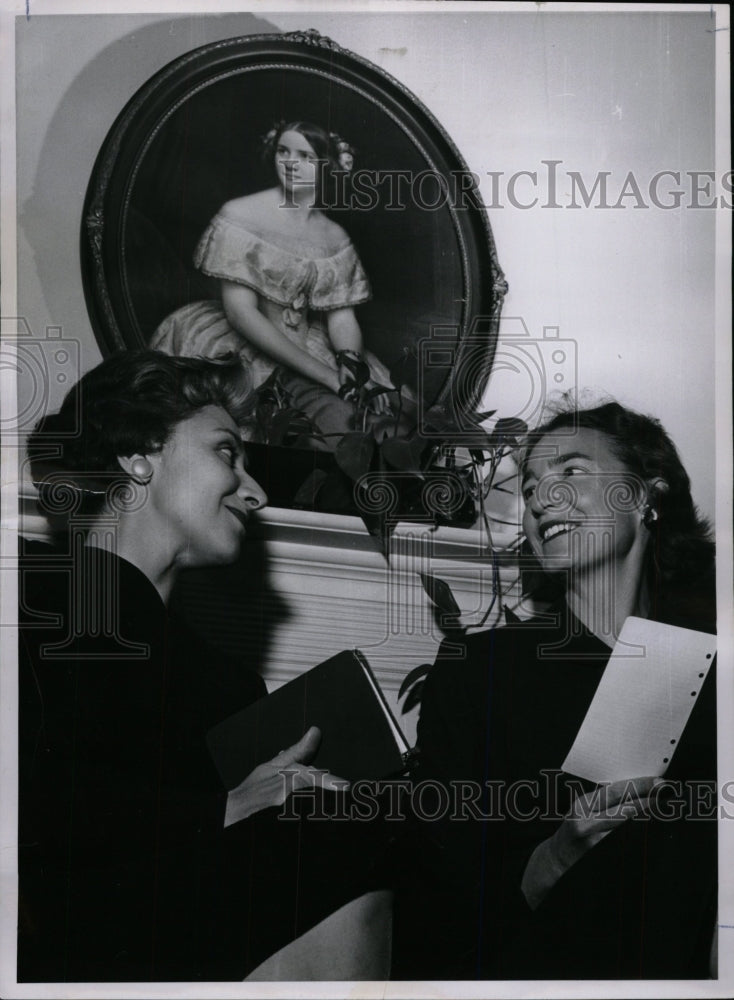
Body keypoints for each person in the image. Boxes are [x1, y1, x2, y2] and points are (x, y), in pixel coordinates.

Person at [18, 350, 392, 983]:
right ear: (139, 454)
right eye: (226, 452)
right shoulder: (29, 597)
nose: (257, 491)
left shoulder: (230, 681)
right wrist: (221, 809)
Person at [391, 401, 717, 980]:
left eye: (570, 471)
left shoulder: (716, 675)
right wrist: (551, 860)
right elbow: (434, 907)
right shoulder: (479, 670)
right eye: (533, 485)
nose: (540, 498)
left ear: (646, 495)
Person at [150, 120, 402, 448]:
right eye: (283, 151)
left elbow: (342, 317)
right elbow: (241, 314)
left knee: (389, 418)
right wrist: (327, 376)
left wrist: (350, 366)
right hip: (244, 341)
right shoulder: (241, 214)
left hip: (310, 341)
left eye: (305, 156)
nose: (290, 164)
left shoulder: (334, 236)